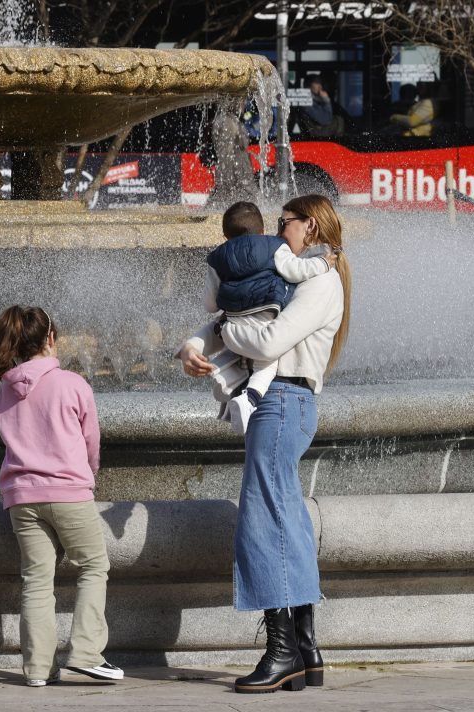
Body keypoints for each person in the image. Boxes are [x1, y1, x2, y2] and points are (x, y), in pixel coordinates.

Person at [179, 194, 351, 694]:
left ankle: (281, 653)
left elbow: (270, 340)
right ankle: (304, 648)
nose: (277, 231)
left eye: (285, 221)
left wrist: (224, 331)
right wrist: (193, 345)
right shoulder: (292, 275)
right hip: (279, 402)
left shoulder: (321, 282)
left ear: (310, 226)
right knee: (287, 517)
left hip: (283, 401)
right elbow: (242, 311)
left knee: (261, 516)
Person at [0, 305, 123, 688]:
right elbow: (91, 442)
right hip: (68, 492)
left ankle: (37, 669)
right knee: (93, 567)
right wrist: (88, 475)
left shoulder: (7, 389)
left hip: (20, 497)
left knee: (36, 580)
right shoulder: (71, 383)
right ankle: (86, 654)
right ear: (50, 338)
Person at [203, 201, 337, 434]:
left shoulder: (216, 258)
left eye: (283, 223)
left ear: (225, 236)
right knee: (267, 363)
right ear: (262, 230)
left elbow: (210, 305)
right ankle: (250, 398)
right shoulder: (275, 248)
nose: (279, 231)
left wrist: (223, 326)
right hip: (263, 323)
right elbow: (296, 270)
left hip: (234, 326)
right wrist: (322, 262)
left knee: (242, 351)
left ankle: (225, 377)